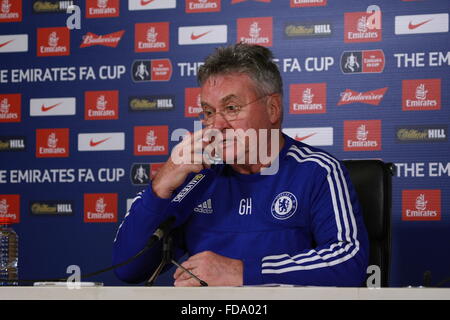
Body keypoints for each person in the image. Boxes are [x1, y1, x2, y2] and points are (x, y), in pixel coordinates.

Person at [113, 43, 369, 287]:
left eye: (232, 108)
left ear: (272, 108)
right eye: (209, 112)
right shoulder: (198, 177)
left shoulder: (317, 171)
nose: (217, 125)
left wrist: (241, 272)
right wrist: (161, 187)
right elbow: (129, 268)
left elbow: (349, 261)